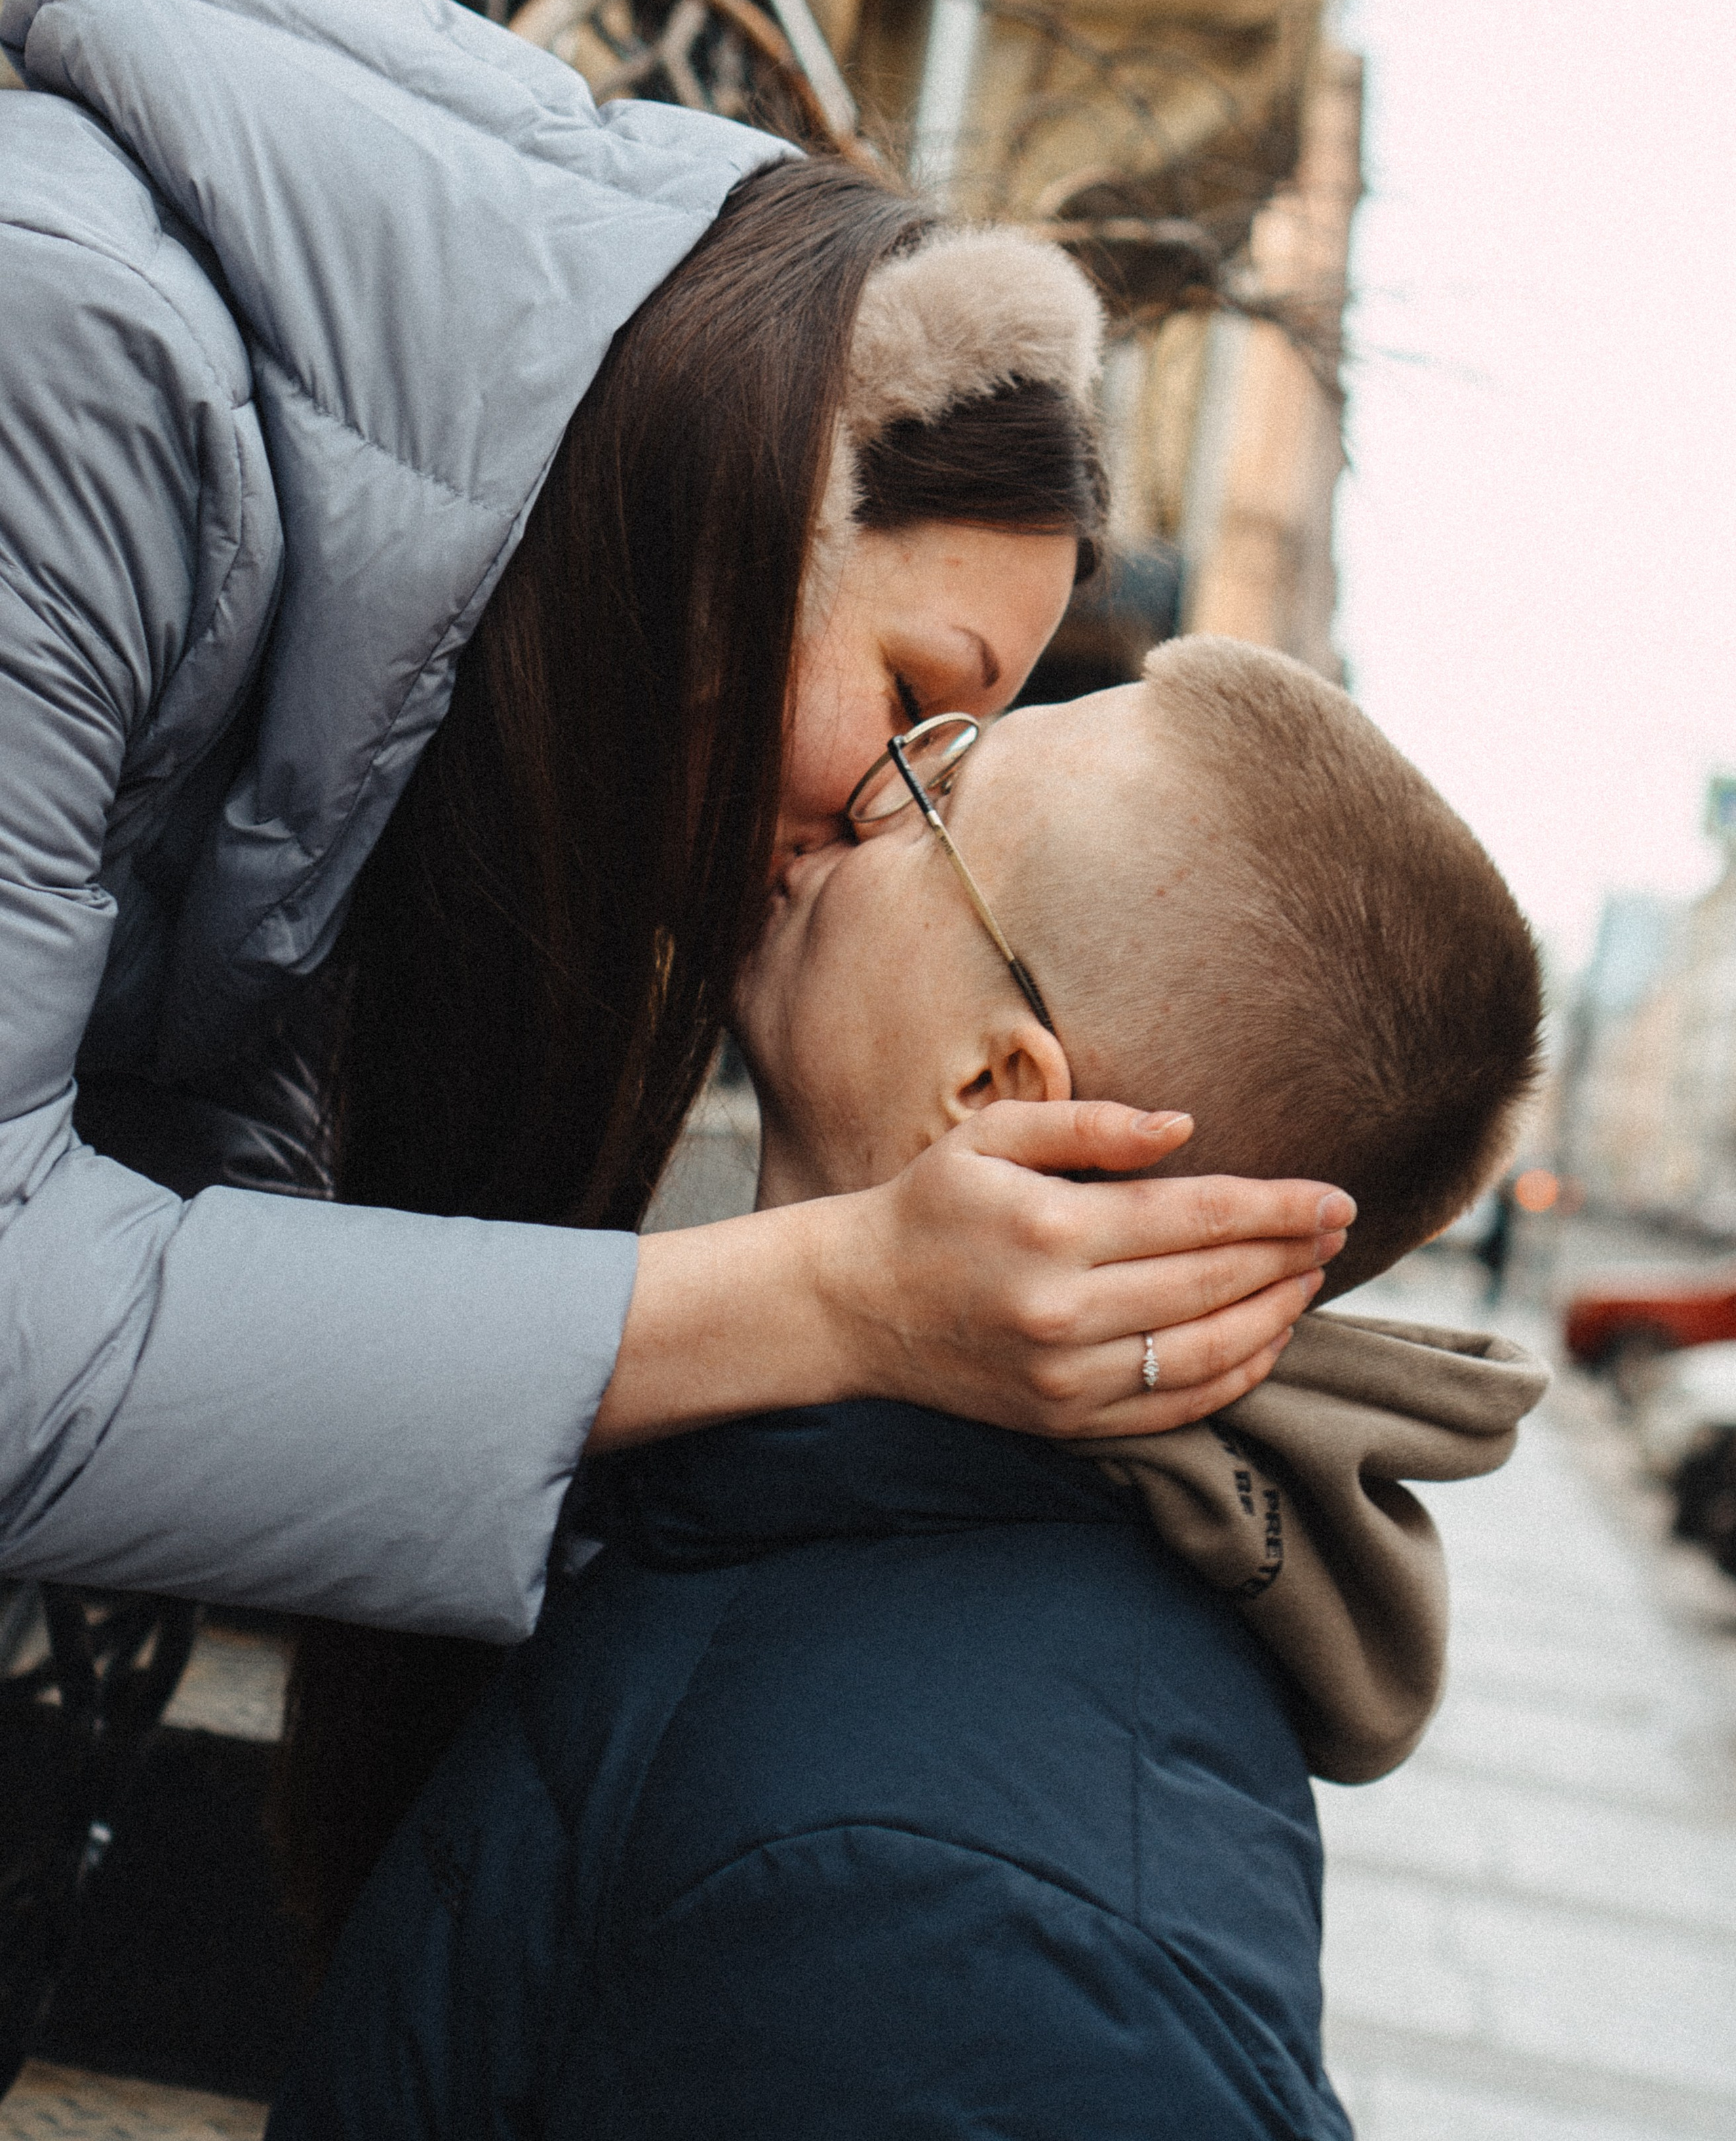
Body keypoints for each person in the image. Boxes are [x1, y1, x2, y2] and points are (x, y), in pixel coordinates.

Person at [0, 0, 1351, 1661]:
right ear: (761, 493)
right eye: (913, 705)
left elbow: (221, 1205)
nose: (885, 821)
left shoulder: (393, 683)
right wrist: (838, 1299)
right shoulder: (78, 374)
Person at [267, 639, 1542, 2140]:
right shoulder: (809, 1516)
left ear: (997, 1094)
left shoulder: (959, 1918)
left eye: (932, 788)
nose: (854, 793)